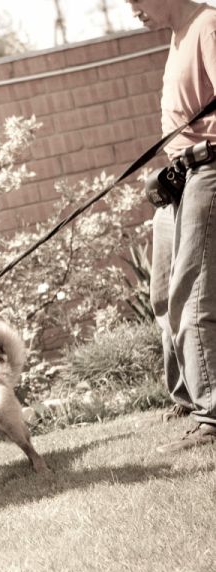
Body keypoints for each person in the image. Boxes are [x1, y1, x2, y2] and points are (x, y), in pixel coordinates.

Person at [130, 0, 216, 452]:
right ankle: (186, 397)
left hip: (208, 170)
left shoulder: (209, 26)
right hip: (180, 175)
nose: (132, 11)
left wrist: (202, 152)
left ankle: (212, 416)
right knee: (163, 293)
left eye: (135, 0)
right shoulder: (178, 34)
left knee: (193, 295)